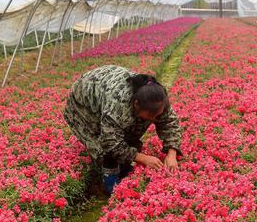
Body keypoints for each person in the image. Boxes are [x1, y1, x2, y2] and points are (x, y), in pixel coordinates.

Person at [64, 65, 183, 194]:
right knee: (103, 147)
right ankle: (109, 181)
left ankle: (124, 167)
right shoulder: (119, 104)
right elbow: (110, 142)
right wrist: (142, 158)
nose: (155, 119)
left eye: (157, 115)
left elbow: (169, 122)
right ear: (136, 104)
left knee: (129, 135)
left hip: (108, 85)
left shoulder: (158, 99)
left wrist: (172, 154)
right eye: (151, 116)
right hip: (84, 101)